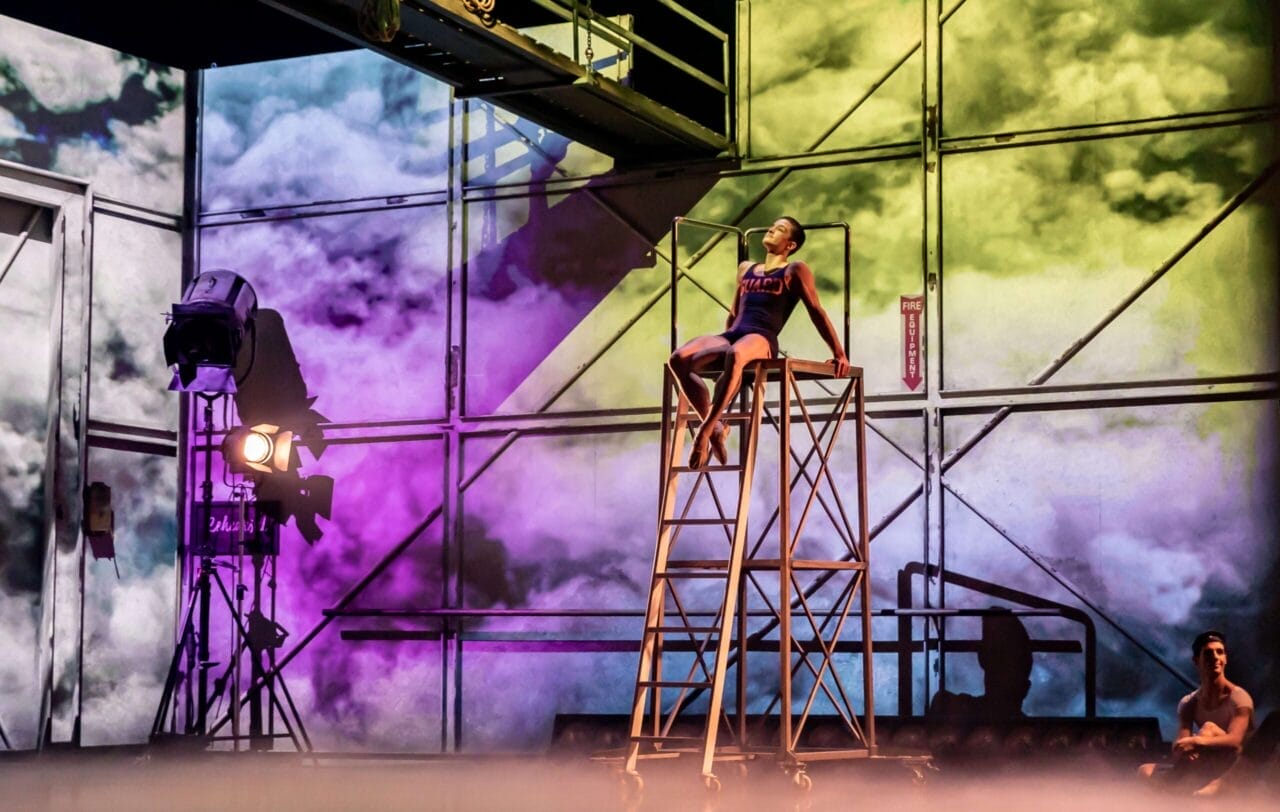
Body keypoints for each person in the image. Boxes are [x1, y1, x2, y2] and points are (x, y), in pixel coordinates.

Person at [667, 216, 850, 469]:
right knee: (679, 358)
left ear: (790, 245)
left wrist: (839, 353)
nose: (773, 229)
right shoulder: (746, 269)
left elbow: (816, 310)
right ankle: (718, 427)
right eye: (772, 226)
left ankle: (704, 432)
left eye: (781, 230)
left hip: (762, 337)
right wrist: (720, 356)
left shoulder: (795, 270)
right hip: (736, 333)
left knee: (737, 353)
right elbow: (733, 313)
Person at [1138, 630, 1254, 792]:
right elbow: (1180, 744)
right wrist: (1184, 749)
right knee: (1145, 770)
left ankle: (1169, 786)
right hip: (1206, 762)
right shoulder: (1188, 703)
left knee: (1209, 728)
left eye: (1220, 652)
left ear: (1225, 659)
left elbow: (1235, 741)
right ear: (1196, 660)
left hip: (1238, 766)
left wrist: (1197, 742)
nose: (1215, 657)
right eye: (1208, 653)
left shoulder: (1239, 698)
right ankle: (1174, 787)